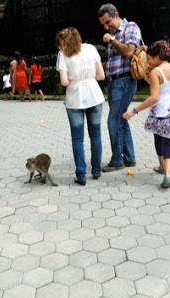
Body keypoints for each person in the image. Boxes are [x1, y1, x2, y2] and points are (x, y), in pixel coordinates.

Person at [123, 40, 170, 189]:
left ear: (157, 57)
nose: (148, 62)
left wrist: (134, 111)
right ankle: (167, 175)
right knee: (169, 142)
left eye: (150, 59)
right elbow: (166, 87)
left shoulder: (155, 72)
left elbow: (154, 97)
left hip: (161, 111)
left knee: (158, 137)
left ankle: (161, 165)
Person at [56, 27, 105, 186]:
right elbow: (101, 75)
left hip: (75, 98)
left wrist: (74, 82)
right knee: (95, 135)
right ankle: (96, 170)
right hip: (94, 95)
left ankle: (81, 175)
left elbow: (64, 81)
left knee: (77, 139)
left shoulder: (63, 54)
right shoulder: (91, 49)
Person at [98, 3, 142, 172]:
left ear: (116, 14)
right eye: (103, 24)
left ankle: (117, 160)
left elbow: (129, 52)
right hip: (114, 82)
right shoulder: (114, 34)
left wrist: (112, 39)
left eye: (108, 22)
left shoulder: (130, 27)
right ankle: (129, 158)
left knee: (113, 121)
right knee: (121, 119)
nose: (106, 27)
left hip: (125, 81)